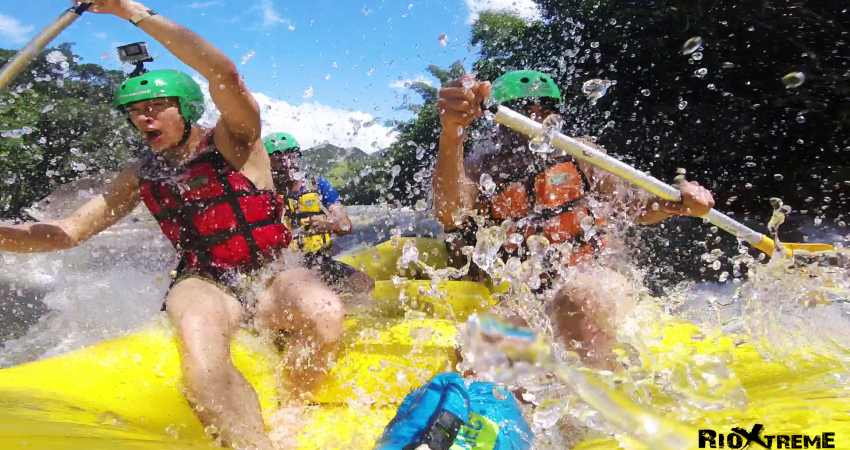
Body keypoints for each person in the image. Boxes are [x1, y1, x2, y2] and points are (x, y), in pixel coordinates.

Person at [0, 2, 344, 449]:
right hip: (204, 281)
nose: (145, 118)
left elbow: (224, 73)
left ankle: (294, 408)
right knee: (202, 370)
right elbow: (66, 233)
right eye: (136, 110)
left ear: (185, 108)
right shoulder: (141, 174)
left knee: (324, 313)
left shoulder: (235, 140)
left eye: (157, 107)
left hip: (271, 270)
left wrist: (130, 11)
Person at [432, 70, 715, 369]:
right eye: (525, 109)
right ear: (498, 119)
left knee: (575, 302)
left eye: (545, 108)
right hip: (531, 295)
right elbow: (451, 214)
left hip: (597, 279)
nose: (536, 117)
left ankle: (607, 400)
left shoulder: (581, 153)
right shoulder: (481, 168)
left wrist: (678, 201)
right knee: (481, 345)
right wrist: (452, 133)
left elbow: (640, 206)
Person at [263, 132, 375, 295]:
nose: (287, 164)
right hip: (283, 268)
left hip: (317, 260)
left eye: (291, 157)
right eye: (279, 159)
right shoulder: (264, 193)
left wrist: (329, 225)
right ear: (268, 164)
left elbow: (346, 226)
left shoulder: (318, 185)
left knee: (364, 283)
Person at [374, 373, 532, 450]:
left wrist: (442, 432)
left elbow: (449, 380)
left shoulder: (403, 437)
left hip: (485, 398)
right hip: (516, 428)